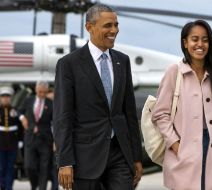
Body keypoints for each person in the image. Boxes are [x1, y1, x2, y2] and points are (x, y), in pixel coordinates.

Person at [53, 4, 143, 190]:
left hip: (120, 155)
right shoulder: (69, 64)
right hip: (84, 158)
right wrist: (65, 161)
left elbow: (129, 113)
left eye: (116, 25)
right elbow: (63, 117)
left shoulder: (122, 61)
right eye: (108, 25)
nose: (114, 30)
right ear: (89, 27)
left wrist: (136, 156)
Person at [152, 20, 212, 190]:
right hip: (183, 151)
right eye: (195, 39)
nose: (200, 44)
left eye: (205, 40)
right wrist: (175, 144)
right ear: (185, 42)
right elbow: (160, 114)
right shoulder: (174, 72)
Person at [19, 81, 53, 190]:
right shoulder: (29, 100)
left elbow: (56, 123)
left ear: (47, 91)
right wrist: (23, 118)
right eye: (40, 92)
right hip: (30, 138)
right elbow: (20, 111)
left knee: (44, 168)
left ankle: (42, 188)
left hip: (45, 140)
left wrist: (55, 141)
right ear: (35, 90)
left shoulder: (51, 103)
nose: (42, 94)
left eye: (44, 92)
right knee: (29, 166)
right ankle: (34, 185)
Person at [0, 87, 22, 190]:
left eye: (7, 97)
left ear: (10, 98)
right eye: (3, 97)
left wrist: (21, 140)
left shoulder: (15, 110)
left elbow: (20, 127)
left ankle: (9, 187)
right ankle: (2, 185)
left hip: (12, 143)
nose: (5, 99)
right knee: (1, 167)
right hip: (0, 143)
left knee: (10, 167)